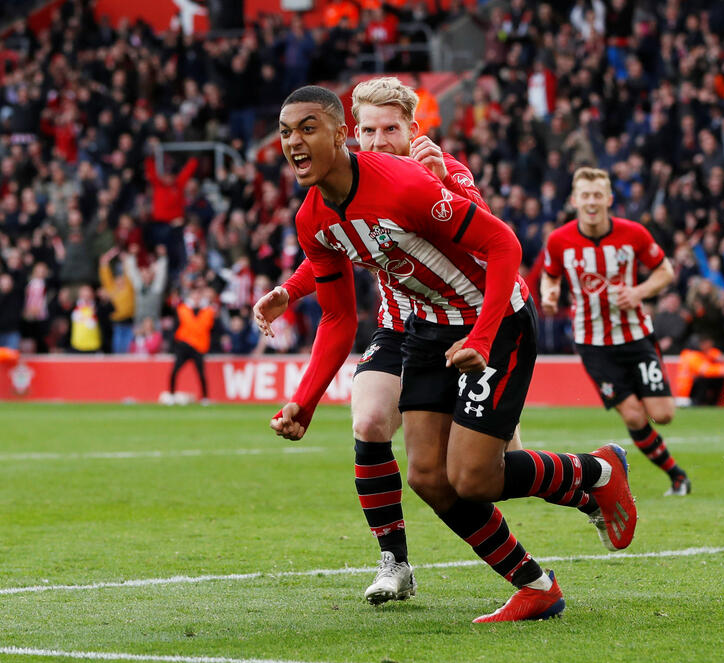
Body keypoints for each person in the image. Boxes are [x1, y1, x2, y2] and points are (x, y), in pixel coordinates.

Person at [258, 85, 636, 623]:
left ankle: (596, 472)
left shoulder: (412, 181)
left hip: (496, 319)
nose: (294, 142)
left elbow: (503, 242)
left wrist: (482, 337)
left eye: (308, 128)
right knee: (428, 477)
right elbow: (339, 316)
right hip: (427, 330)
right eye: (285, 132)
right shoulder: (312, 219)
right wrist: (306, 399)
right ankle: (536, 586)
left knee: (475, 477)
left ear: (340, 135)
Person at [255, 77, 527, 607]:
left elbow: (491, 239)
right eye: (369, 131)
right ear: (351, 134)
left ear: (413, 130)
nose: (378, 142)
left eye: (390, 129)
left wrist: (448, 184)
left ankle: (586, 476)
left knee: (484, 474)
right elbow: (342, 242)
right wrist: (291, 290)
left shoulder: (436, 174)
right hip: (403, 323)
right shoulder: (345, 186)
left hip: (472, 321)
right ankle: (394, 562)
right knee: (369, 420)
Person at [540, 167, 691, 496]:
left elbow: (665, 271)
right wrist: (549, 295)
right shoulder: (559, 240)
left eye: (597, 195)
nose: (591, 202)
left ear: (608, 199)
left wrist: (639, 292)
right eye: (585, 195)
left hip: (636, 335)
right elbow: (550, 275)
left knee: (663, 414)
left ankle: (667, 466)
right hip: (594, 344)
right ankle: (678, 477)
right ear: (574, 200)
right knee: (635, 415)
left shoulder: (633, 233)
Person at [167, 287, 215, 404]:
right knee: (174, 371)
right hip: (184, 345)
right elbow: (175, 328)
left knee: (201, 373)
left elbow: (212, 329)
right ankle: (171, 395)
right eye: (194, 296)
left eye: (198, 296)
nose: (196, 298)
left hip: (199, 347)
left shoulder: (208, 311)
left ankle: (205, 397)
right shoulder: (182, 309)